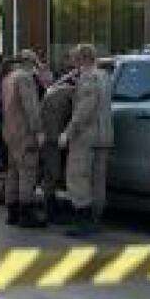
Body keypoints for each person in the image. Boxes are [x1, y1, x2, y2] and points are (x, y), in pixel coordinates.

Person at [60, 44, 113, 237]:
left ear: (82, 59)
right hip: (104, 135)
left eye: (75, 59)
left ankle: (84, 222)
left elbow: (84, 110)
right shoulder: (105, 76)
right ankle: (96, 219)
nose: (73, 62)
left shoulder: (88, 78)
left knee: (78, 176)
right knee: (98, 180)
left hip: (86, 136)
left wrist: (68, 132)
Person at [1, 50, 45, 228]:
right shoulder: (25, 78)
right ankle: (26, 214)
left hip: (10, 131)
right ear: (30, 62)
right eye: (35, 62)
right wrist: (39, 130)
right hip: (24, 132)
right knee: (28, 171)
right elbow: (31, 107)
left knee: (13, 171)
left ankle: (12, 212)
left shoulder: (8, 78)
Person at [39, 69, 77, 225]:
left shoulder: (55, 91)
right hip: (52, 138)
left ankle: (51, 208)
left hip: (50, 136)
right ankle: (51, 211)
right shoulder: (71, 93)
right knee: (53, 173)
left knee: (51, 172)